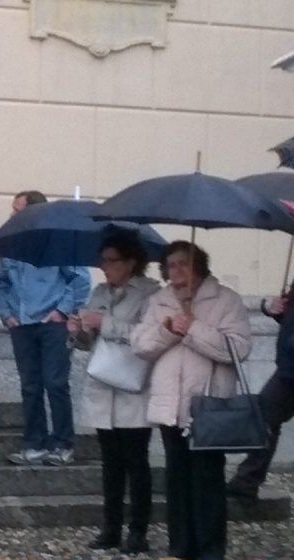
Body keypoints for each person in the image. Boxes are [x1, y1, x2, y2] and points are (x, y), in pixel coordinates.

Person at [132, 241, 250, 560]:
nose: (177, 270)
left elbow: (237, 349)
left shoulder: (226, 300)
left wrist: (194, 328)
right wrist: (170, 329)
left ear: (199, 264)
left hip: (208, 406)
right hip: (171, 405)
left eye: (184, 263)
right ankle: (180, 546)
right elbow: (141, 345)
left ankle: (211, 549)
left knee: (207, 481)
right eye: (171, 265)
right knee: (177, 479)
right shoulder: (159, 301)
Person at [67, 233, 159, 554]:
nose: (104, 267)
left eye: (111, 260)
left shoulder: (150, 294)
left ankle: (138, 531)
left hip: (134, 388)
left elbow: (146, 336)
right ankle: (111, 527)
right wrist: (79, 331)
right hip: (104, 387)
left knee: (136, 462)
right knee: (110, 464)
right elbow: (88, 345)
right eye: (102, 260)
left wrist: (104, 323)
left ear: (130, 262)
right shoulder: (99, 291)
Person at [0, 190, 91, 466]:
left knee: (55, 382)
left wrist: (60, 311)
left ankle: (62, 443)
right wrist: (6, 313)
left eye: (17, 209)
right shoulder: (10, 244)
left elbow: (80, 280)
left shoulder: (59, 240)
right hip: (21, 324)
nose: (12, 215)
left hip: (52, 324)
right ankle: (34, 443)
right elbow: (2, 283)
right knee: (30, 385)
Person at [228, 278, 294, 503]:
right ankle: (247, 481)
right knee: (265, 418)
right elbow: (287, 314)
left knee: (266, 418)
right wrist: (272, 308)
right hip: (288, 367)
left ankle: (247, 480)